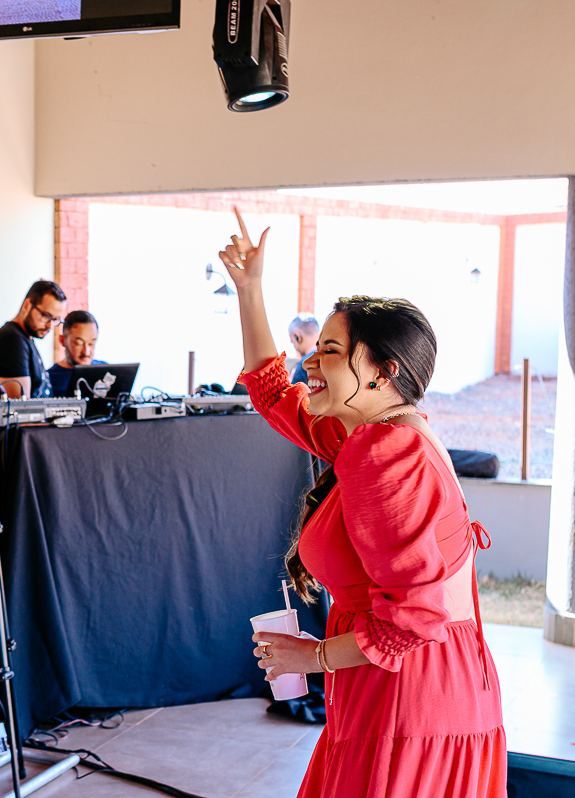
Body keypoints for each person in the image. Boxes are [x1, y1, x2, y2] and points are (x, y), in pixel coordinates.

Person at [219, 209, 506, 798]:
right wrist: (250, 291)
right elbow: (277, 395)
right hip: (395, 687)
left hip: (408, 699)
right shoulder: (373, 435)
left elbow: (417, 619)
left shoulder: (386, 455)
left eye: (330, 350)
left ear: (382, 371)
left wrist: (314, 656)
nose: (310, 362)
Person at [0, 280, 66, 399]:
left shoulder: (24, 338)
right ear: (27, 305)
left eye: (56, 320)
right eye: (46, 316)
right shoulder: (12, 340)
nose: (50, 326)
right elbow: (19, 408)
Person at [46, 309, 106, 396]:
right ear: (63, 340)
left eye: (91, 344)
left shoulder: (105, 371)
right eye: (79, 343)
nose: (86, 352)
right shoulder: (49, 379)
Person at [288, 313, 319, 385]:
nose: (295, 348)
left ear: (298, 337)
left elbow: (292, 394)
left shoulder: (303, 365)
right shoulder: (328, 360)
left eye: (293, 342)